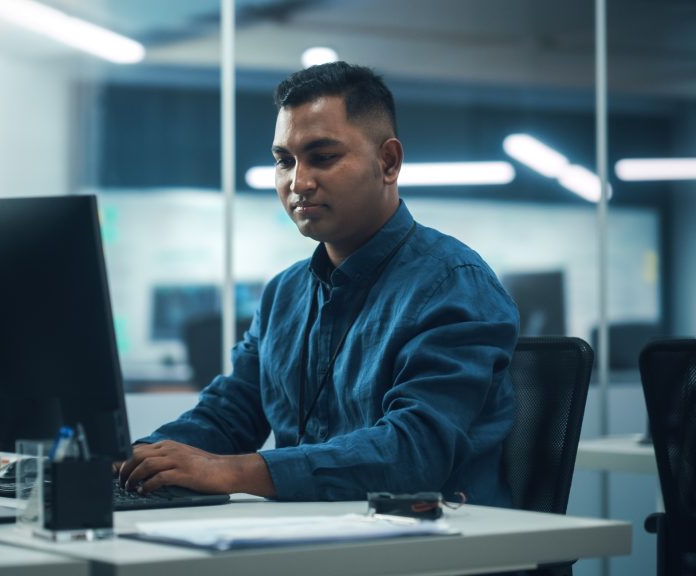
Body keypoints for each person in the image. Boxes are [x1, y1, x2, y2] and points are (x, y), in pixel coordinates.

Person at [118, 61, 519, 505]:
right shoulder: (284, 295)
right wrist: (133, 460)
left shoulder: (453, 284)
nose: (298, 182)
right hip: (317, 539)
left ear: (388, 162)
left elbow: (414, 451)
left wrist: (229, 471)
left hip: (438, 553)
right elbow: (228, 415)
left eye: (323, 158)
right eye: (283, 161)